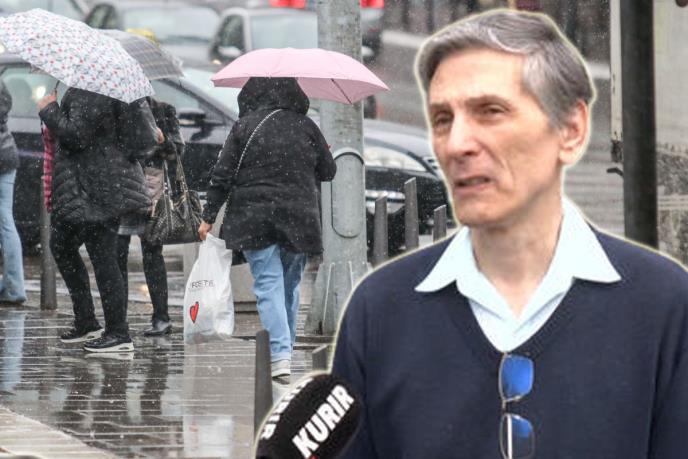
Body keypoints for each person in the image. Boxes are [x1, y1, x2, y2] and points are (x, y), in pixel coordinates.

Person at [331, 10, 688, 458]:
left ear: (571, 130)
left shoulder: (662, 305)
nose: (457, 143)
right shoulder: (380, 311)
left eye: (490, 112)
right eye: (442, 119)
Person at [198, 77, 336, 379]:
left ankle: (280, 355)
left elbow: (222, 174)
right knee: (289, 286)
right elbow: (329, 171)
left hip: (254, 218)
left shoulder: (245, 127)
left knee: (268, 284)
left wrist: (209, 215)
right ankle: (284, 351)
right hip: (299, 219)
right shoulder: (306, 126)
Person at [38, 87, 156, 353]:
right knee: (62, 246)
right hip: (89, 186)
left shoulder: (91, 92)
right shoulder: (104, 88)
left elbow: (77, 136)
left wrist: (49, 110)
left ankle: (118, 333)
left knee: (103, 256)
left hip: (95, 186)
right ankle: (87, 321)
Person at [117, 96, 185, 337]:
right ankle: (117, 320)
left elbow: (177, 151)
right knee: (117, 254)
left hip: (150, 190)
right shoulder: (114, 108)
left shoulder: (162, 110)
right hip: (121, 187)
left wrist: (163, 141)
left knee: (152, 252)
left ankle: (161, 318)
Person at [0, 79, 26, 305]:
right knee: (6, 220)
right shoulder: (1, 85)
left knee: (5, 222)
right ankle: (12, 284)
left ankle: (15, 287)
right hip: (7, 153)